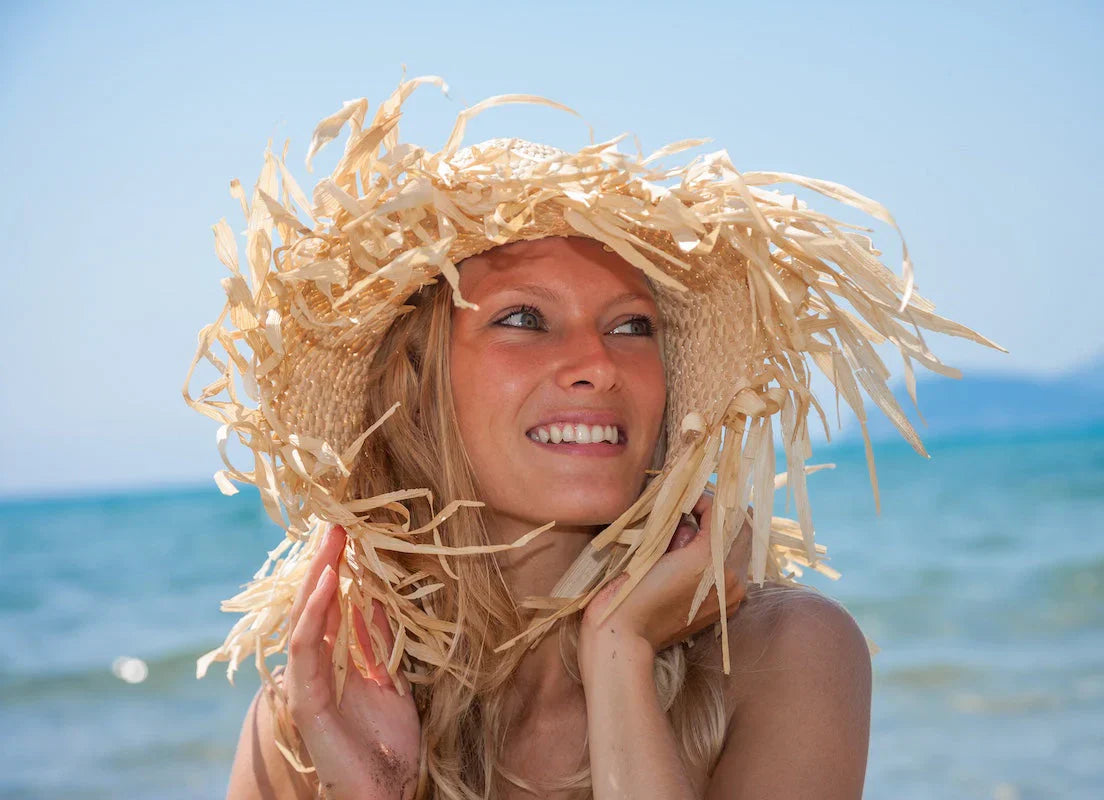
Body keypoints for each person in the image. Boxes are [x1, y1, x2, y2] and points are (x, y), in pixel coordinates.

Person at [185, 76, 1000, 800]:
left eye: (631, 326)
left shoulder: (785, 655)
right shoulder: (315, 710)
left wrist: (621, 657)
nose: (596, 366)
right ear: (414, 391)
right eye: (523, 319)